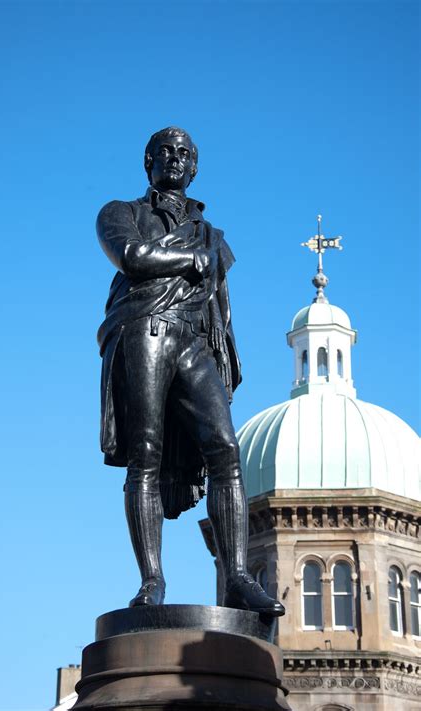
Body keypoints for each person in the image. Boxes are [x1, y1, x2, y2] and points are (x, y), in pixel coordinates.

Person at [96, 126, 284, 616]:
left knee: (225, 450)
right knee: (147, 453)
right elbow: (133, 256)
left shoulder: (212, 234)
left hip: (195, 340)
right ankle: (152, 580)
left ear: (195, 166)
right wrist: (190, 258)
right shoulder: (122, 213)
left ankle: (238, 576)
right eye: (166, 152)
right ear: (148, 161)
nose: (175, 159)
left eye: (185, 154)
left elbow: (222, 307)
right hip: (148, 327)